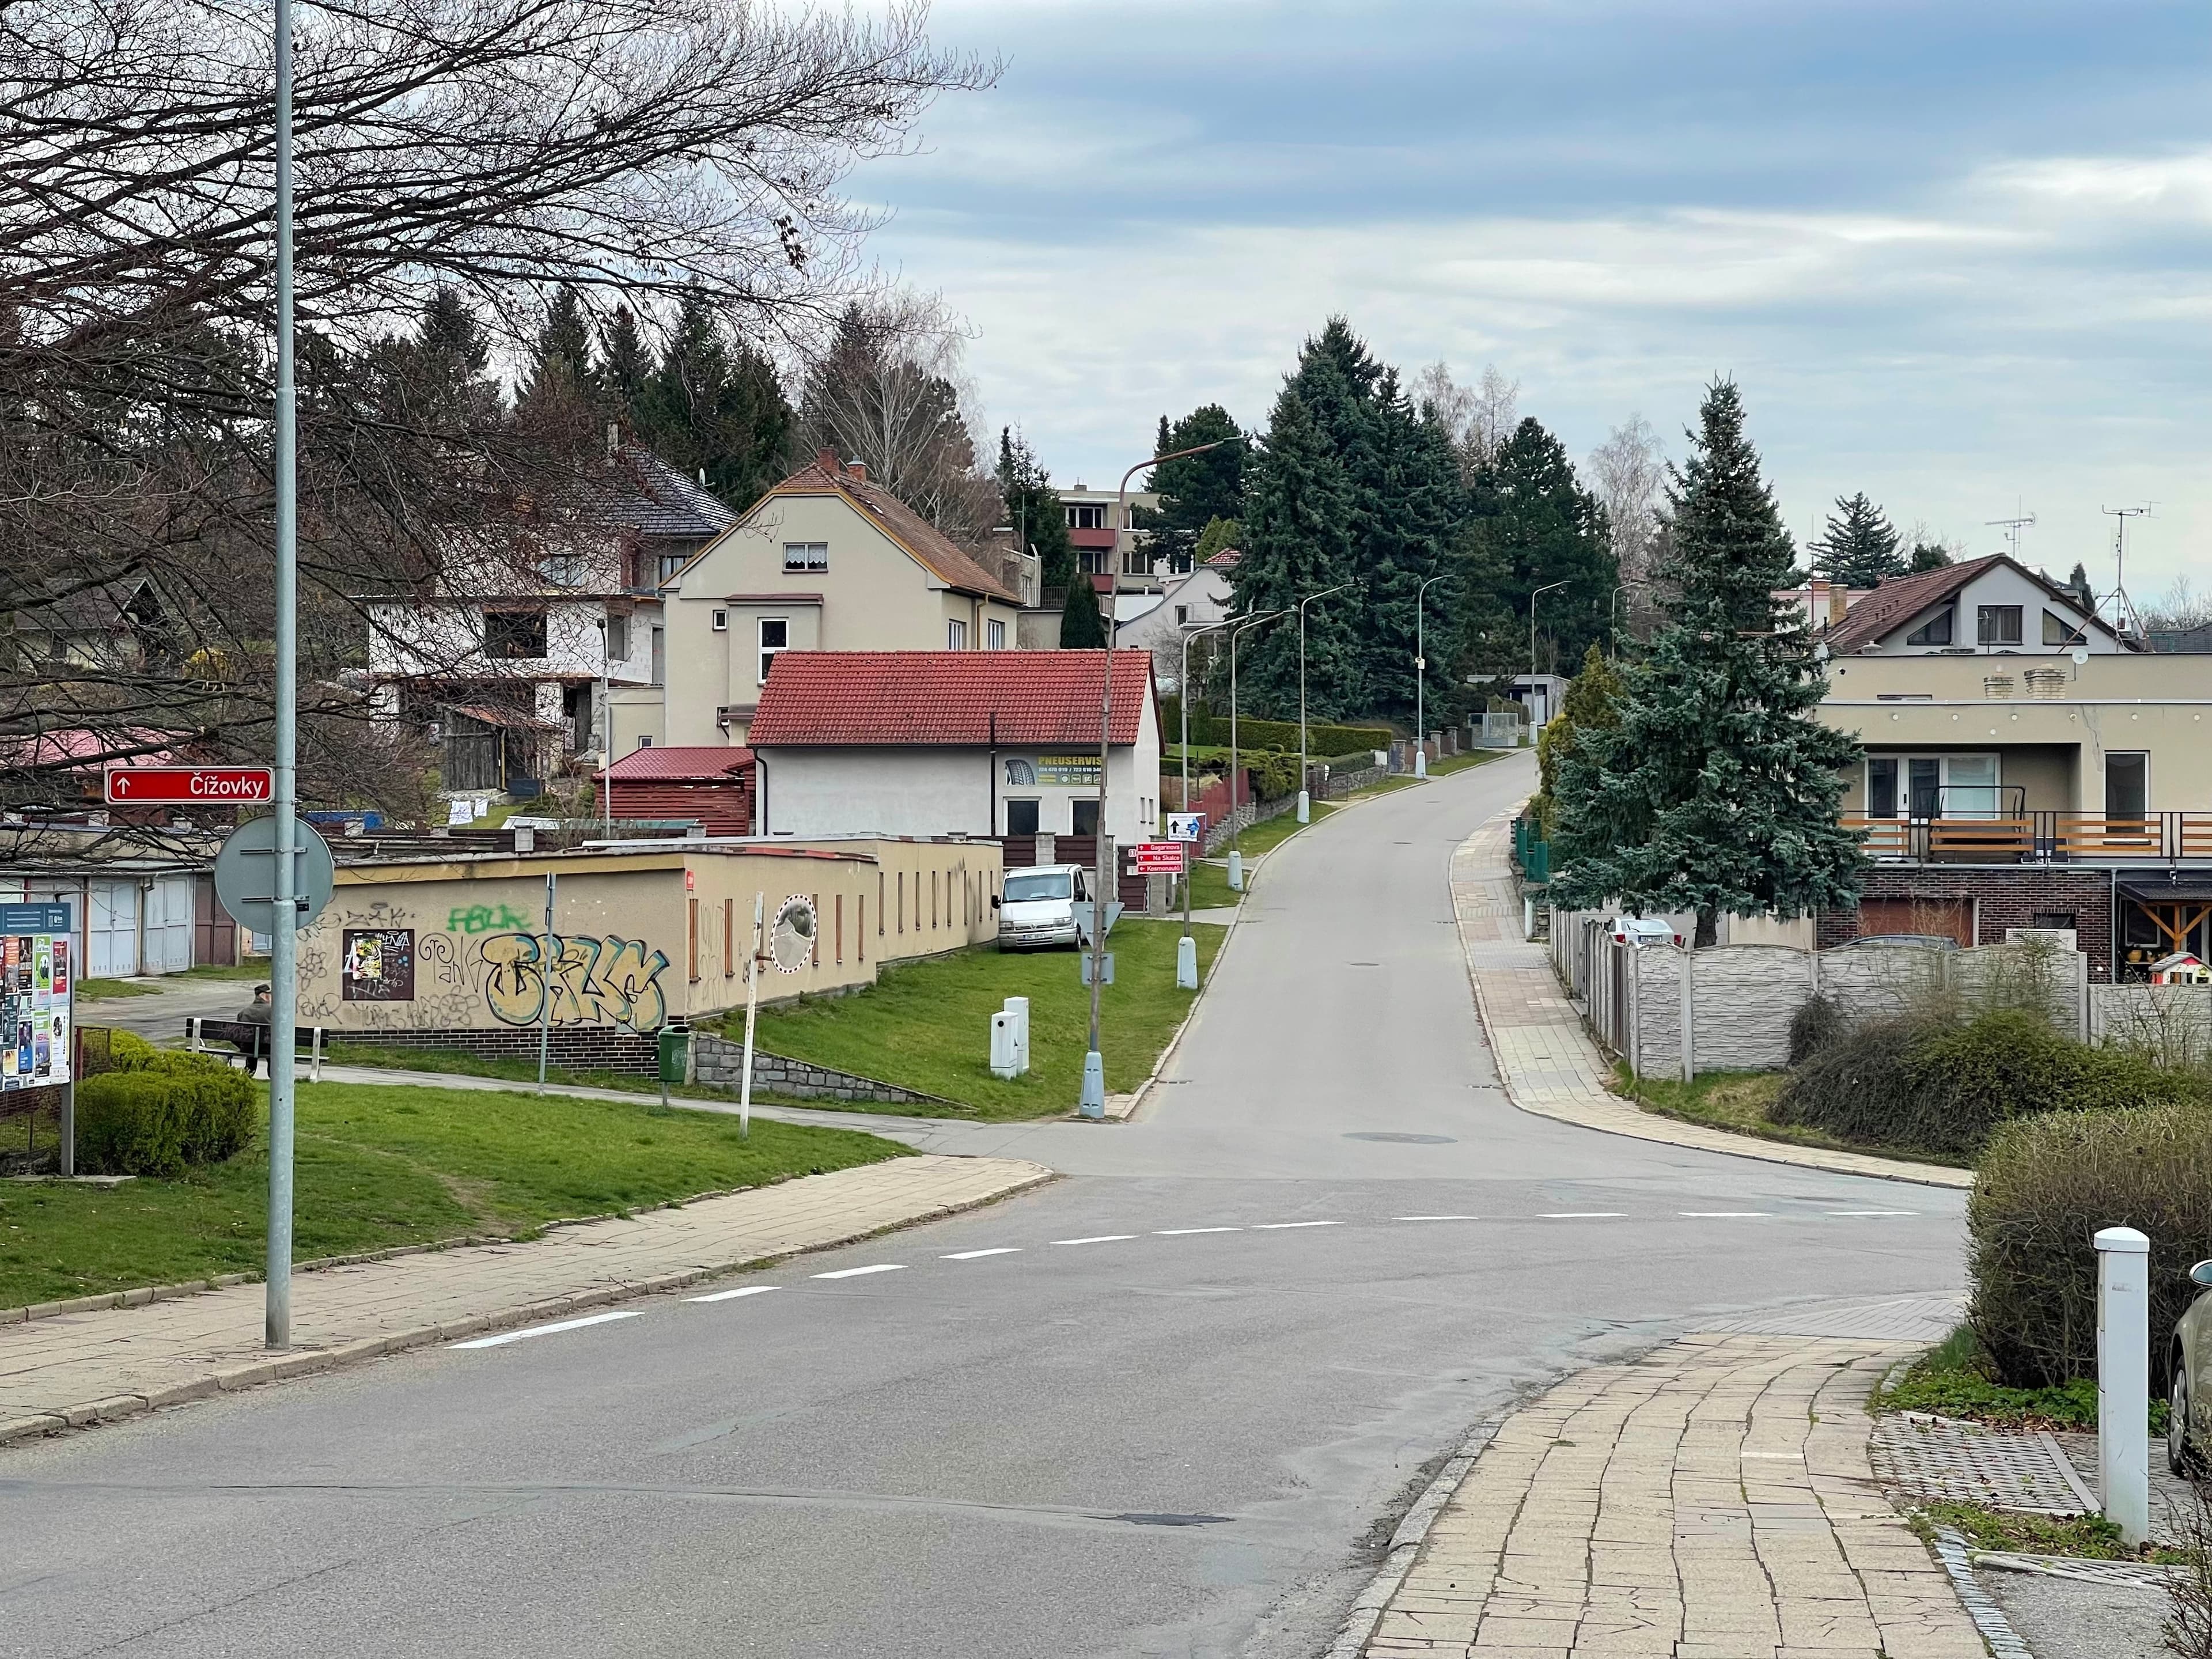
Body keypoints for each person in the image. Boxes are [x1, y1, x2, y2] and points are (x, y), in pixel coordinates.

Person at [234, 984, 273, 1077]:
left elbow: (235, 1035)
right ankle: (272, 1074)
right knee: (271, 1048)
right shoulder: (274, 1012)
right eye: (269, 995)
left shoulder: (244, 1012)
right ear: (264, 996)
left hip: (248, 1048)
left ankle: (249, 1072)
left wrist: (242, 1046)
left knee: (251, 1045)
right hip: (268, 1049)